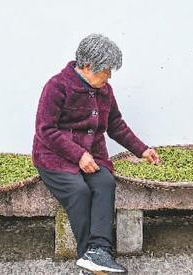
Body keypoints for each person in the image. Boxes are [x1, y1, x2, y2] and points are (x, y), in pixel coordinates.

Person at [32, 33, 160, 273]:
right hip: (54, 157)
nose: (109, 76)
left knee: (104, 182)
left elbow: (116, 125)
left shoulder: (105, 90)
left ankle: (99, 250)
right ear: (87, 66)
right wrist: (78, 154)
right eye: (106, 70)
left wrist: (142, 149)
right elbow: (45, 130)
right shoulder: (56, 86)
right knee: (79, 191)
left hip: (92, 157)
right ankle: (87, 255)